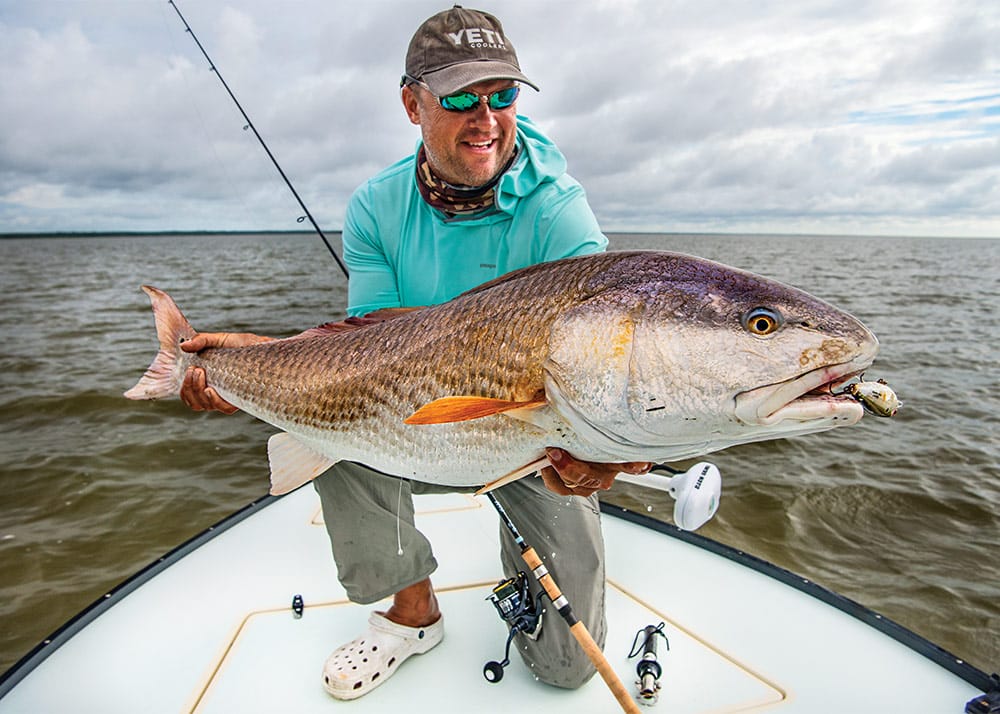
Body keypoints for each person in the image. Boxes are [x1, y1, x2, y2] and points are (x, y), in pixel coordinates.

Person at [179, 5, 652, 701]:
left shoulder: (559, 211)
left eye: (503, 95)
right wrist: (261, 364)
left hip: (532, 435)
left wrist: (603, 447)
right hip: (410, 418)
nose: (485, 117)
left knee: (565, 669)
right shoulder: (375, 207)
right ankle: (412, 613)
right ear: (412, 103)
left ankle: (529, 594)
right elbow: (367, 343)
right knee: (334, 423)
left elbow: (599, 360)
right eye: (461, 97)